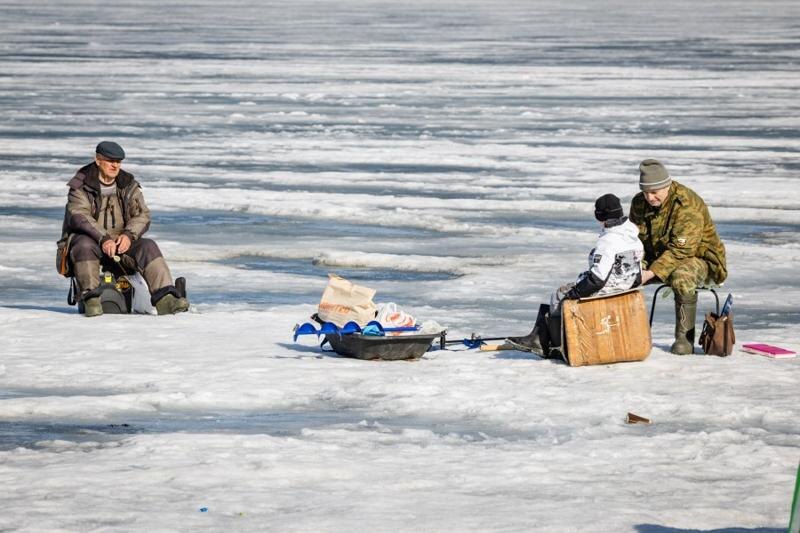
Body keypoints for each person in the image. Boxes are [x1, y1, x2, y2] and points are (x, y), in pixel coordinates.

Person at [57, 141, 189, 317]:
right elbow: (80, 217)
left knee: (148, 246)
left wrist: (128, 235)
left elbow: (142, 215)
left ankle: (166, 298)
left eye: (118, 162)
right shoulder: (81, 184)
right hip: (90, 242)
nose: (115, 165)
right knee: (83, 245)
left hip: (121, 244)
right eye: (110, 160)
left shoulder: (128, 183)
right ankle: (91, 299)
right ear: (98, 160)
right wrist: (103, 239)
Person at [508, 194, 644, 356]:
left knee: (559, 295)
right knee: (565, 293)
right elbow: (638, 274)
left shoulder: (608, 242)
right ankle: (539, 337)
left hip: (607, 290)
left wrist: (574, 294)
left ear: (600, 217)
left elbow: (597, 279)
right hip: (625, 287)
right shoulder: (633, 237)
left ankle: (556, 347)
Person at [629, 159, 727, 354]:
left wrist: (650, 273)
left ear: (667, 185)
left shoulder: (686, 204)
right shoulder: (639, 203)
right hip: (656, 256)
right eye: (646, 192)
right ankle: (627, 335)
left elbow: (682, 251)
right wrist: (636, 265)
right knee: (622, 273)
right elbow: (633, 240)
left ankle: (684, 340)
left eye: (654, 192)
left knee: (681, 276)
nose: (650, 197)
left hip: (700, 259)